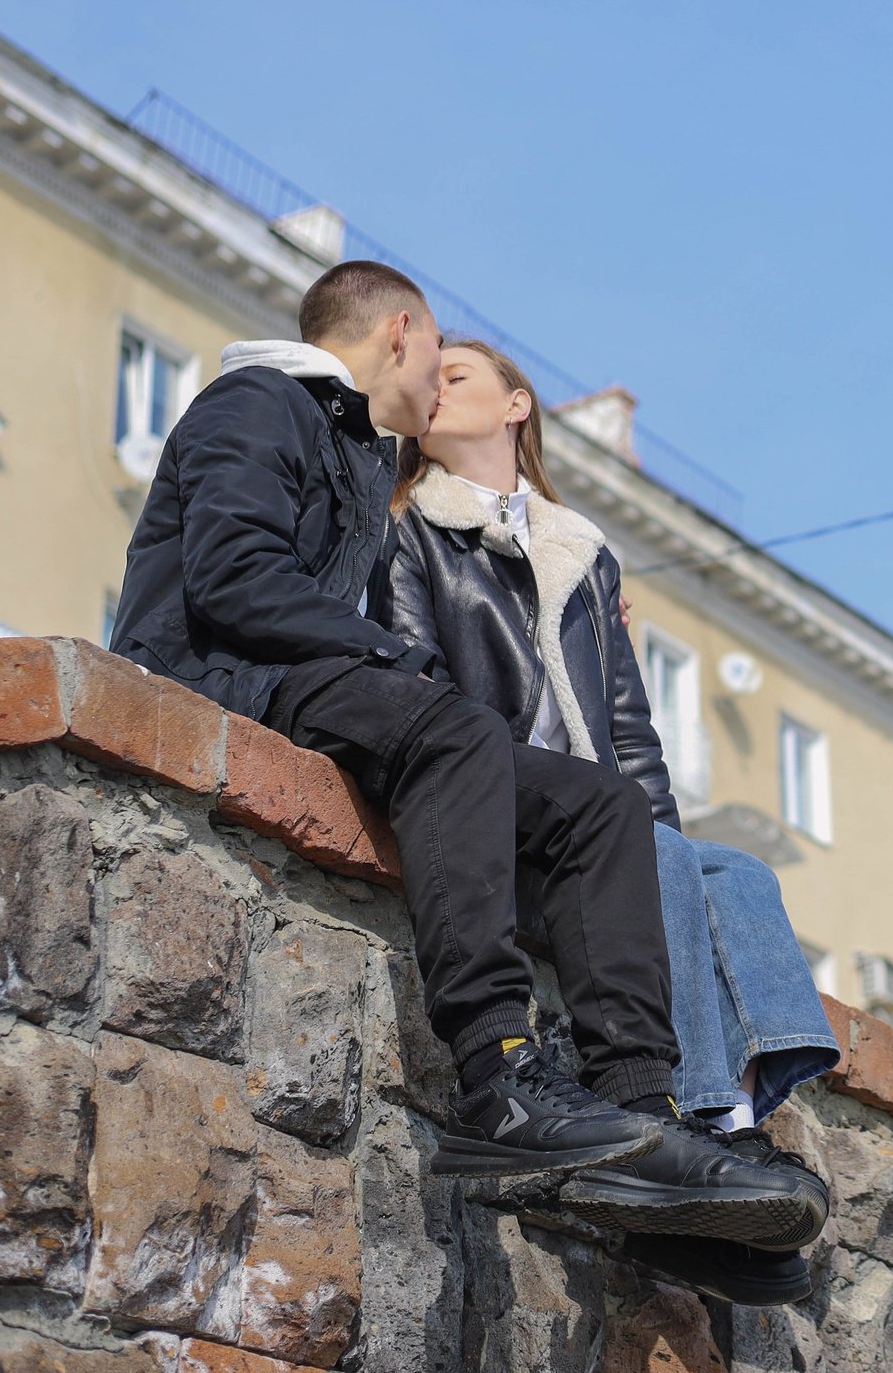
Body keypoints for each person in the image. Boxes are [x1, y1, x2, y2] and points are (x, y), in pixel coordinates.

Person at [107, 261, 818, 1253]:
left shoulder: (355, 450)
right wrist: (398, 659)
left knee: (600, 806)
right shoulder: (255, 401)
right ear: (401, 332)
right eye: (437, 351)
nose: (437, 376)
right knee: (453, 727)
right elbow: (233, 581)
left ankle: (639, 1123)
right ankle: (502, 1072)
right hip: (221, 678)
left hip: (305, 687)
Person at [387, 337, 837, 1305]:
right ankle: (687, 1125)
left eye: (457, 374)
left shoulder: (580, 552)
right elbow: (414, 680)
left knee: (736, 875)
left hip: (594, 813)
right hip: (497, 803)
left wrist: (657, 836)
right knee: (654, 849)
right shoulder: (406, 522)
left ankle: (731, 1127)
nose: (433, 386)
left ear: (517, 405)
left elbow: (629, 734)